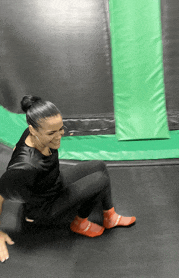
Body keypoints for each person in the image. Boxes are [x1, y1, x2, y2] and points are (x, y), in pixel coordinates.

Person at [0, 95, 136, 263]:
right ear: (33, 130)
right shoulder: (26, 166)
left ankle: (110, 217)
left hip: (54, 184)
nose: (59, 136)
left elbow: (16, 148)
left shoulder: (31, 132)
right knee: (99, 180)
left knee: (99, 166)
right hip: (43, 211)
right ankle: (79, 223)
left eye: (60, 129)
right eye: (51, 133)